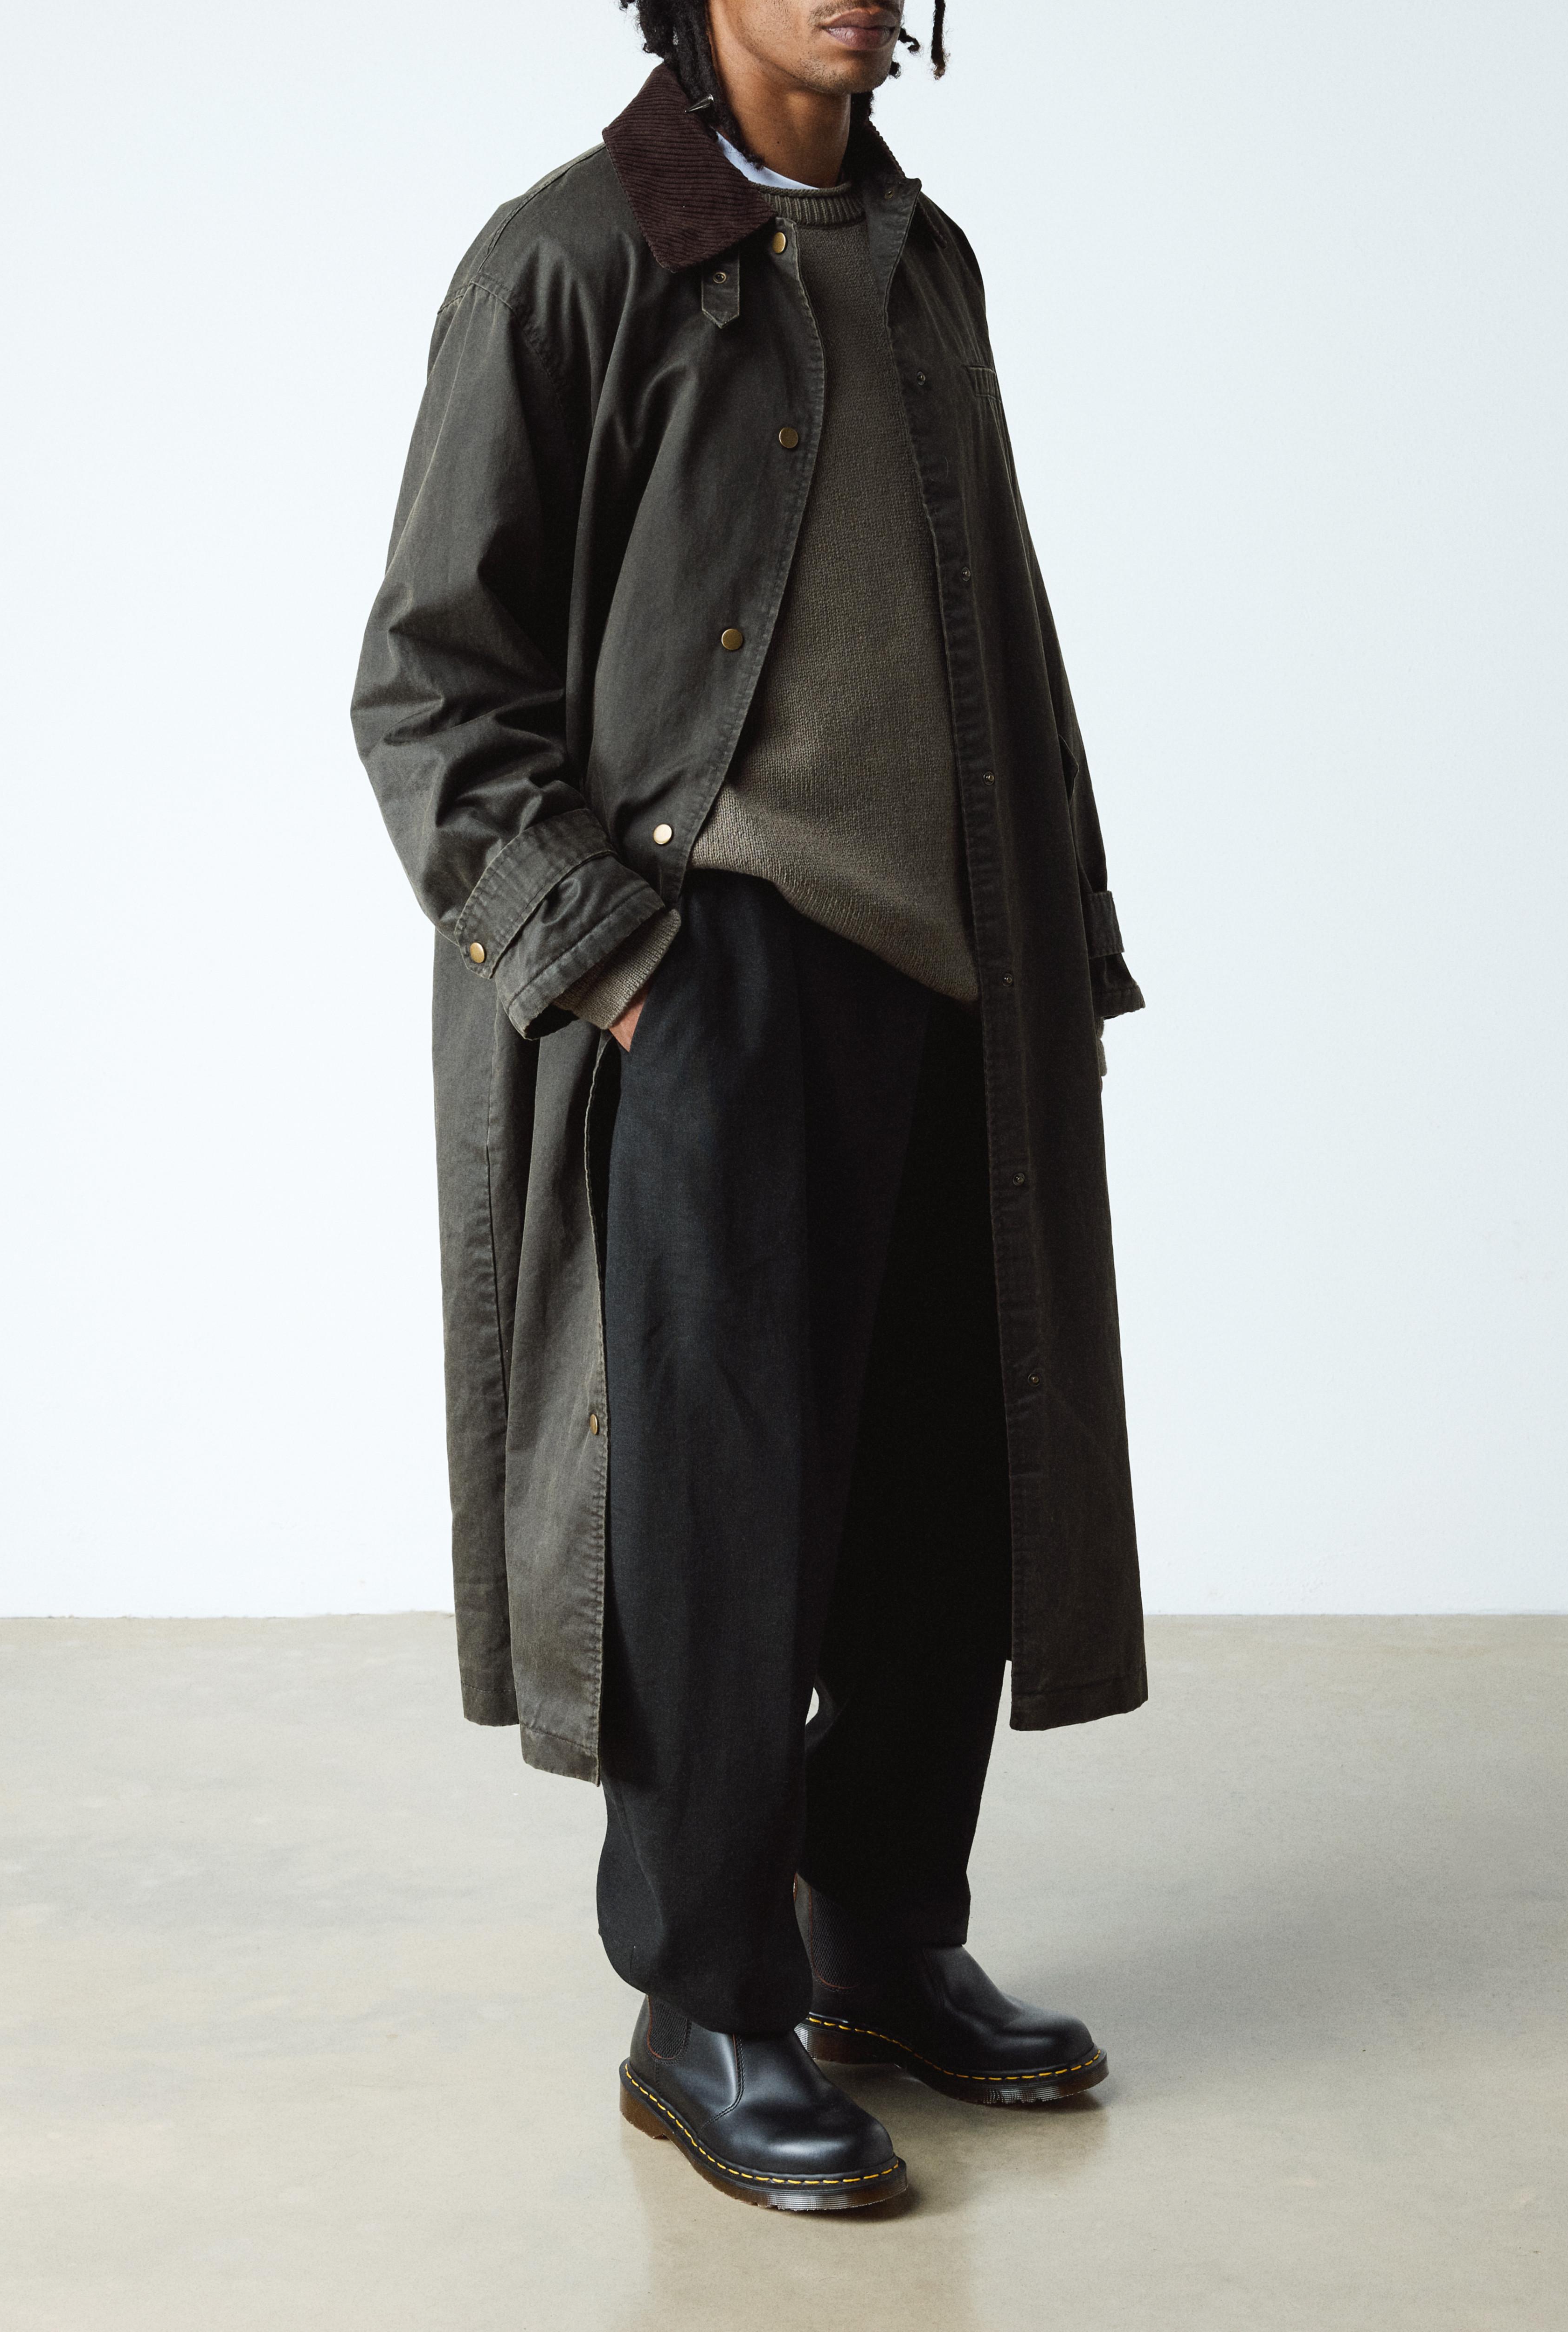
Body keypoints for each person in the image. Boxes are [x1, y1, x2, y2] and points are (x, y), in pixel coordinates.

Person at [351, 0, 1147, 2214]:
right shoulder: (571, 258)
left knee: (944, 1482)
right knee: (721, 1518)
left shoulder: (924, 260)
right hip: (720, 966)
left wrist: (1062, 929)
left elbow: (1000, 631)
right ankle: (705, 2003)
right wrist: (616, 967)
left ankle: (880, 1930)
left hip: (955, 962)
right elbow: (427, 683)